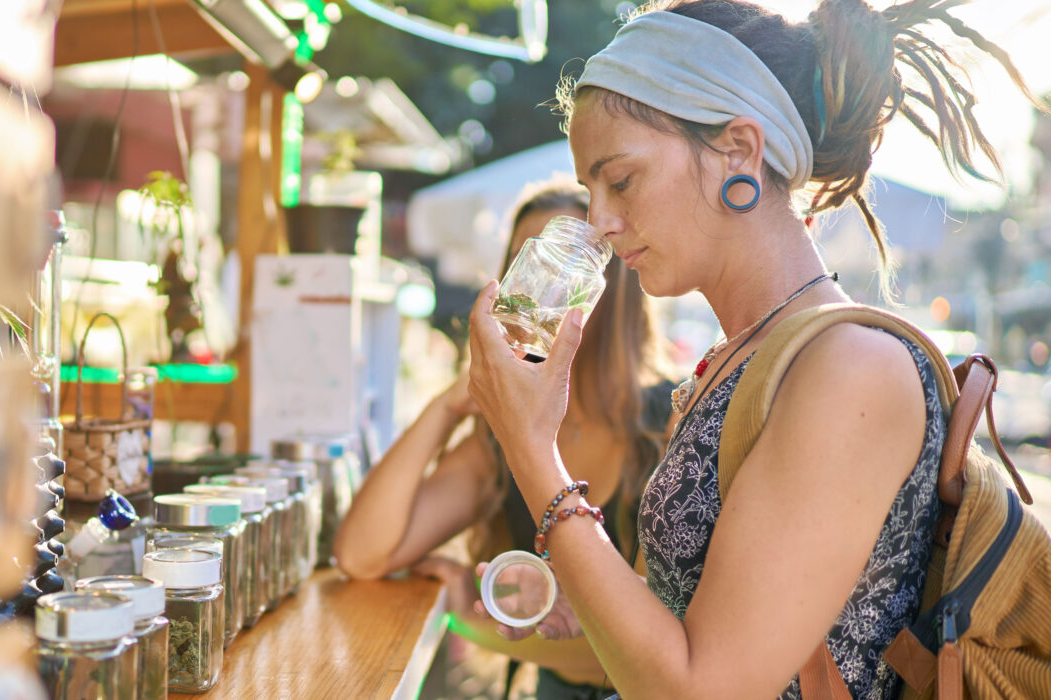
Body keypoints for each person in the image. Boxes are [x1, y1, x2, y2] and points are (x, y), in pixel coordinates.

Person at [464, 0, 1045, 698]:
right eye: (591, 191)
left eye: (619, 181)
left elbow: (705, 688)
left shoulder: (850, 370)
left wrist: (530, 448)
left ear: (738, 151)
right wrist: (589, 598)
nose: (601, 223)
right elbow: (693, 633)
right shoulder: (739, 360)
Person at [335, 181, 675, 699]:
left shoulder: (671, 422)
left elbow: (654, 651)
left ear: (606, 288)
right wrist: (451, 402)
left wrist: (469, 622)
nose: (542, 295)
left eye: (568, 268)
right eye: (533, 266)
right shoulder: (499, 441)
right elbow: (362, 555)